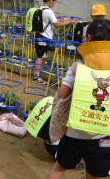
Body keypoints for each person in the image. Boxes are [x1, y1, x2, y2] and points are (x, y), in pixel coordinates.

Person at [46, 19, 110, 179]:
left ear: (88, 38)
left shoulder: (77, 67)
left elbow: (61, 95)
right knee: (93, 173)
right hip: (103, 134)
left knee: (59, 168)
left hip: (75, 131)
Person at [32, 0, 76, 85]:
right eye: (54, 1)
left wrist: (56, 17)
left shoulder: (40, 10)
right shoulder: (48, 11)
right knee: (40, 56)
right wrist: (69, 22)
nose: (54, 3)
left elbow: (49, 18)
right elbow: (57, 24)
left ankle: (38, 73)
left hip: (39, 35)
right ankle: (36, 76)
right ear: (51, 1)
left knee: (42, 55)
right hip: (45, 37)